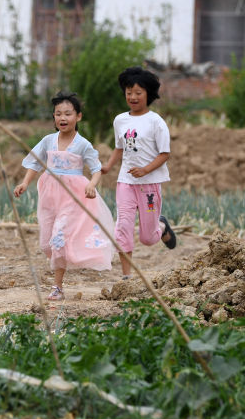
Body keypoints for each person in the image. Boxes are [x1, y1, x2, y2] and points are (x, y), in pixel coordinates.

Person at [14, 91, 115, 301]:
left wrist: (92, 185)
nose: (63, 118)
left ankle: (57, 287)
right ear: (53, 117)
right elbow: (35, 163)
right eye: (58, 113)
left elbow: (96, 169)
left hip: (73, 195)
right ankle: (64, 259)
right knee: (46, 244)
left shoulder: (83, 144)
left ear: (78, 116)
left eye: (68, 113)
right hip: (49, 194)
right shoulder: (48, 141)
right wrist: (25, 183)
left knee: (58, 239)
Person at [101, 66, 177, 280]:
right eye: (129, 92)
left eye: (138, 93)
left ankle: (161, 226)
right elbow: (119, 148)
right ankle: (126, 276)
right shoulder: (120, 120)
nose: (132, 97)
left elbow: (165, 154)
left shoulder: (156, 122)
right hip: (125, 182)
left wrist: (145, 170)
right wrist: (108, 166)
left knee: (147, 238)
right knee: (123, 227)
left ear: (148, 94)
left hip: (149, 184)